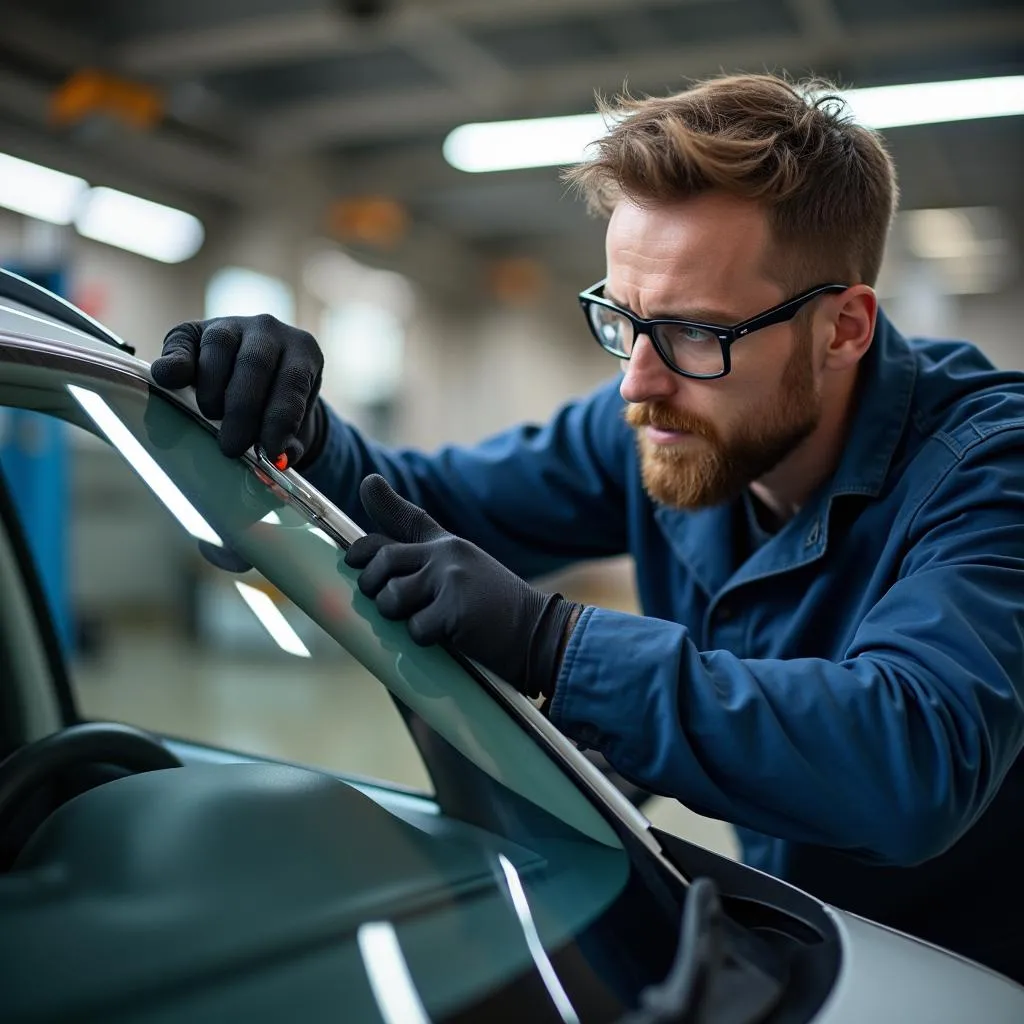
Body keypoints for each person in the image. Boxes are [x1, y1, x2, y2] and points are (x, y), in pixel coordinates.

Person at [154, 74, 1024, 981]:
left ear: (843, 328)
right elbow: (426, 503)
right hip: (806, 948)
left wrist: (555, 646)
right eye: (623, 319)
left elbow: (915, 755)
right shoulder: (668, 415)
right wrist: (303, 427)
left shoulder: (991, 470)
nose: (637, 385)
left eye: (696, 333)